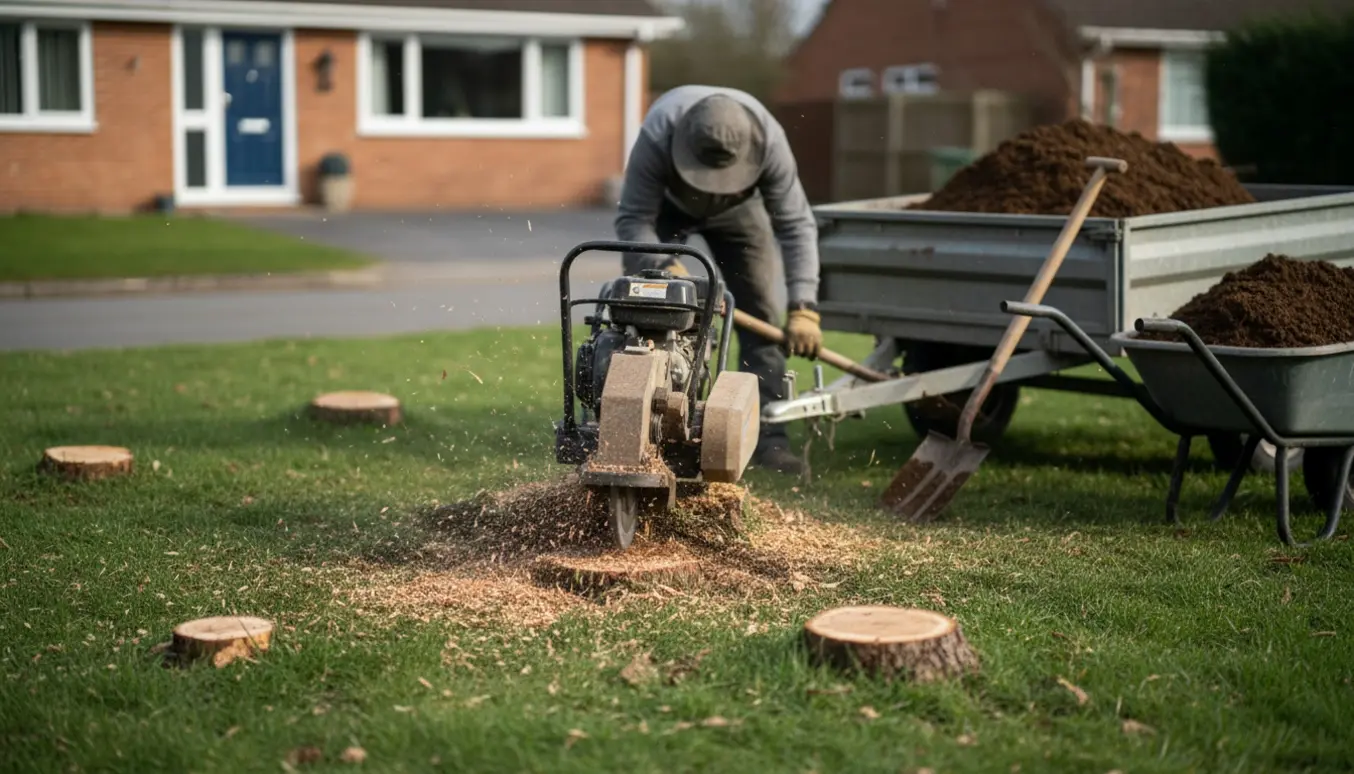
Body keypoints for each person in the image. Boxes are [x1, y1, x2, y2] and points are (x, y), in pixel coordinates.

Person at [614, 84, 822, 476]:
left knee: (761, 314)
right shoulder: (659, 132)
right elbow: (634, 220)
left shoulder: (770, 140)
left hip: (739, 214)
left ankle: (770, 440)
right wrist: (666, 269)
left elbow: (795, 226)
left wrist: (804, 306)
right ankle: (647, 433)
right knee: (654, 309)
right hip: (667, 211)